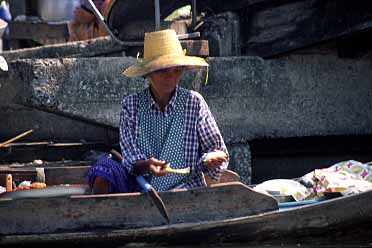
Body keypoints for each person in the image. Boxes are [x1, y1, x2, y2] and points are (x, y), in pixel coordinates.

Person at [88, 29, 229, 193]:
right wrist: (146, 165)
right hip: (142, 188)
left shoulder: (194, 102)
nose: (171, 77)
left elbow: (218, 150)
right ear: (148, 73)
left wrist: (210, 159)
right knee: (104, 167)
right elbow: (130, 158)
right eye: (162, 71)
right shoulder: (131, 105)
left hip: (186, 188)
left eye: (177, 71)